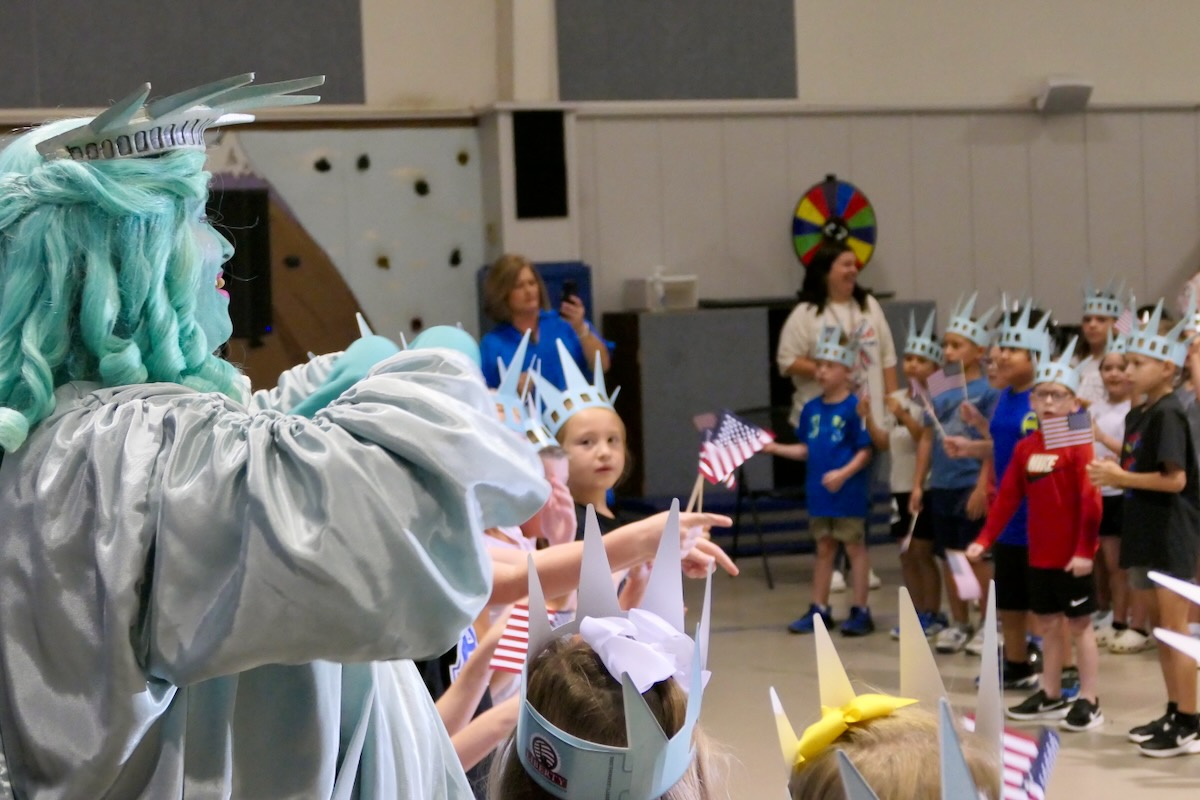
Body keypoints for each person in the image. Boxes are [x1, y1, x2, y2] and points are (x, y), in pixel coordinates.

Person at [0, 75, 558, 798]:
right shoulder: (127, 449)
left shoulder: (65, 442)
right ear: (118, 262)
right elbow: (402, 529)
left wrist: (308, 402)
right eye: (192, 220)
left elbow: (232, 464)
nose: (221, 250)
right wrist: (438, 373)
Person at [967, 341, 1104, 732]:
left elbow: (1091, 502)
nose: (1048, 402)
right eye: (1042, 395)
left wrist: (1084, 550)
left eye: (1057, 396)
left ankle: (1089, 699)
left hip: (1072, 556)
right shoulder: (1027, 447)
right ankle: (1051, 693)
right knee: (1047, 624)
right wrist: (985, 538)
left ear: (1073, 403)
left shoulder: (1079, 444)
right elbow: (1008, 496)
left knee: (1080, 625)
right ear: (1032, 401)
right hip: (1039, 553)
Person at [1087, 301, 1200, 757]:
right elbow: (1136, 466)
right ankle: (1174, 710)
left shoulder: (1169, 412)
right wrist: (1113, 471)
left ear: (1167, 368)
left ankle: (1190, 720)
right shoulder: (1139, 415)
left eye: (1137, 363)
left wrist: (1121, 478)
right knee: (1159, 631)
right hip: (1144, 530)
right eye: (1126, 363)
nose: (1128, 371)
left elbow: (1176, 479)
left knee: (1175, 630)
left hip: (1171, 533)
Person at [952, 301, 1052, 687]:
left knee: (1045, 598)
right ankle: (1016, 662)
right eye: (1001, 348)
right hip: (1009, 511)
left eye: (1013, 349)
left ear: (1036, 354)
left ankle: (1052, 665)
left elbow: (1073, 451)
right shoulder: (1004, 397)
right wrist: (971, 446)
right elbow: (1004, 447)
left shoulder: (1051, 397)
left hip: (1043, 513)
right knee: (1010, 595)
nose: (1001, 356)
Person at [768, 327, 876, 636]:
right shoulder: (811, 409)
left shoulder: (855, 408)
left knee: (854, 547)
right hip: (819, 493)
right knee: (824, 547)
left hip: (847, 493)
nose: (822, 371)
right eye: (819, 365)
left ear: (847, 370)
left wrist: (843, 474)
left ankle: (860, 609)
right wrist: (775, 448)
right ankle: (819, 607)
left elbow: (865, 451)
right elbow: (806, 449)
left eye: (830, 366)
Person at [910, 294, 998, 654]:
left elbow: (994, 443)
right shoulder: (940, 386)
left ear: (978, 351)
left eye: (956, 345)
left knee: (977, 558)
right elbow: (927, 437)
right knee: (952, 557)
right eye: (945, 345)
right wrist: (919, 484)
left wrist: (982, 486)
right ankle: (960, 622)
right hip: (943, 484)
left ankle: (988, 623)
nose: (947, 352)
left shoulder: (989, 390)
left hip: (971, 482)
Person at [867, 310, 946, 640]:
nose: (912, 365)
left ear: (936, 367)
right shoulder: (897, 398)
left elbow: (924, 438)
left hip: (925, 485)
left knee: (923, 552)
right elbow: (884, 442)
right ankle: (915, 614)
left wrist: (904, 415)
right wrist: (869, 417)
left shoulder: (939, 398)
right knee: (905, 554)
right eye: (909, 358)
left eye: (921, 360)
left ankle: (933, 612)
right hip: (898, 484)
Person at [1089, 338, 1149, 653]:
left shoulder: (1137, 410)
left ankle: (1131, 623)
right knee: (1107, 563)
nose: (1114, 373)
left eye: (1121, 367)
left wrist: (1103, 438)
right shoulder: (1091, 408)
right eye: (1107, 368)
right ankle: (1113, 617)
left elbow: (1133, 453)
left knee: (1125, 564)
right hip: (1099, 491)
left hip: (1124, 492)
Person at [479, 254, 610, 391]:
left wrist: (581, 329)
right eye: (519, 286)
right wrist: (510, 390)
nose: (529, 291)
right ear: (503, 294)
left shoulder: (564, 324)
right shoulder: (492, 344)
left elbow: (603, 366)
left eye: (532, 283)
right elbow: (484, 395)